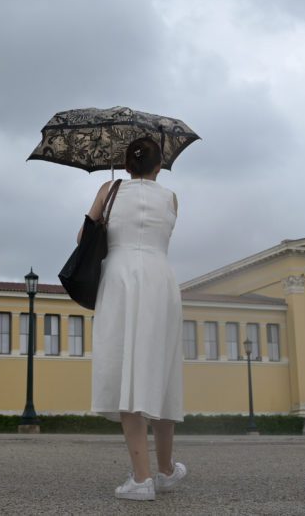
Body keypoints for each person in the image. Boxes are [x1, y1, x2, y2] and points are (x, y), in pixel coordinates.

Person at [87, 136, 186, 502]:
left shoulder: (109, 189)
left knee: (127, 367)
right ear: (160, 165)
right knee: (159, 370)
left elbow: (84, 237)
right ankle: (164, 471)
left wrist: (108, 197)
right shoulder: (171, 198)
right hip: (161, 279)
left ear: (126, 164)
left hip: (121, 278)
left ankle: (141, 478)